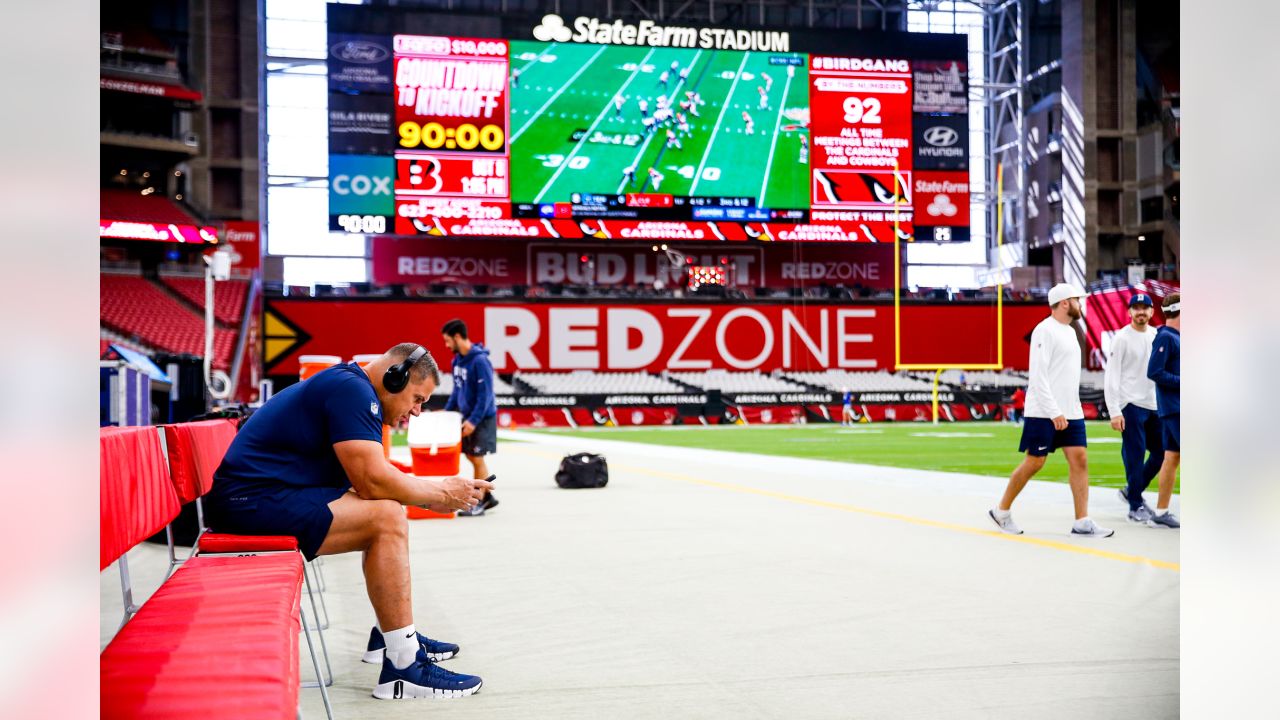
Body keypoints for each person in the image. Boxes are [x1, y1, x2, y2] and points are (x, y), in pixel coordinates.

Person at [205, 344, 493, 700]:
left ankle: (387, 633)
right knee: (386, 518)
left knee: (387, 509)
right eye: (417, 398)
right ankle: (404, 666)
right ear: (395, 377)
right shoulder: (352, 391)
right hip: (249, 504)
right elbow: (372, 483)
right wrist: (438, 493)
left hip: (259, 497)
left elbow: (373, 478)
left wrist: (431, 491)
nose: (417, 411)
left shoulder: (352, 387)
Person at [989, 284, 1114, 537]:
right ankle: (1001, 511)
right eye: (1077, 300)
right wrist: (1054, 411)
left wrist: (1069, 410)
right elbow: (1038, 376)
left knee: (1079, 459)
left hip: (1072, 411)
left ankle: (1082, 520)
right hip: (1044, 412)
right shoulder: (1044, 330)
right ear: (1065, 302)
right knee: (1035, 462)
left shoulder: (1070, 331)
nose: (1081, 304)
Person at [1103, 293, 1163, 523]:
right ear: (1129, 312)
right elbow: (1112, 376)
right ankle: (1135, 505)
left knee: (1162, 452)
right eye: (1136, 308)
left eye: (1144, 308)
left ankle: (1132, 491)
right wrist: (1115, 411)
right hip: (1130, 405)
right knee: (1135, 455)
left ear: (1151, 312)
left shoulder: (1157, 335)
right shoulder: (1121, 339)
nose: (1140, 312)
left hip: (1153, 404)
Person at [442, 319, 500, 517]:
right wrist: (448, 412)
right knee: (471, 456)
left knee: (476, 457)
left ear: (458, 337)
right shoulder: (457, 360)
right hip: (467, 416)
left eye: (448, 341)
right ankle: (488, 497)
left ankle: (481, 501)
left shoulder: (480, 361)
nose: (447, 345)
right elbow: (457, 390)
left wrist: (473, 421)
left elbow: (486, 396)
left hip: (482, 417)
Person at [1145, 293, 1181, 528]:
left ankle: (1161, 511)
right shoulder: (1167, 338)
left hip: (1173, 408)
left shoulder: (1173, 337)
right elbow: (1154, 372)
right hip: (1176, 409)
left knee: (1171, 458)